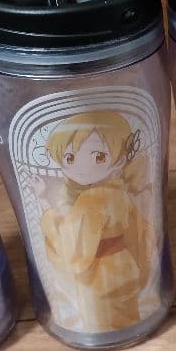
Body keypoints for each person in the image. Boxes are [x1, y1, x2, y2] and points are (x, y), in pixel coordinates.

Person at [33, 111, 155, 333]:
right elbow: (141, 233)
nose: (82, 168)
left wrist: (44, 204)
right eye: (70, 159)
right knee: (128, 315)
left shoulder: (91, 201)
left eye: (99, 157)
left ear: (118, 159)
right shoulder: (119, 193)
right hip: (124, 265)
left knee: (101, 324)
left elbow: (72, 247)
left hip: (99, 276)